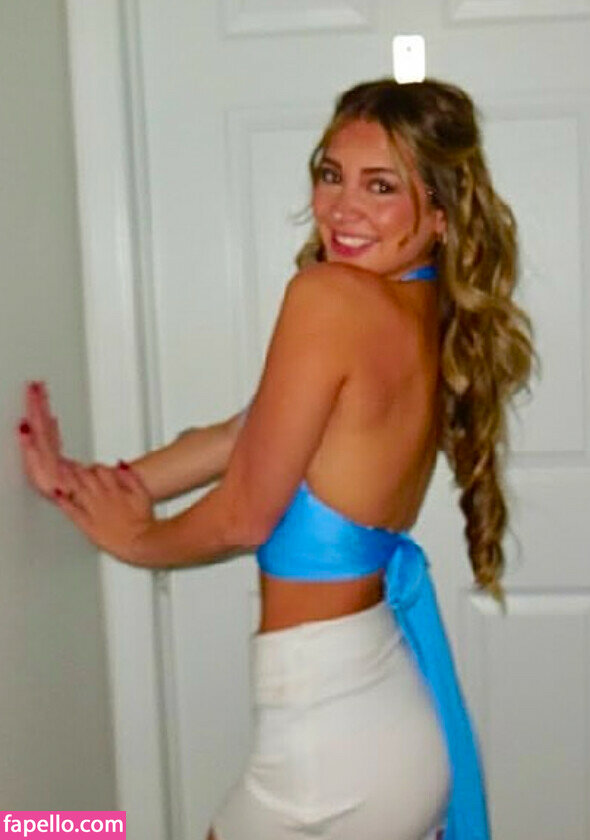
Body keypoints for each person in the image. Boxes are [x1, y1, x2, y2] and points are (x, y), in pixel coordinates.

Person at [18, 77, 533, 840]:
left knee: (42, 826)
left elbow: (245, 513)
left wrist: (138, 540)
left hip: (329, 753)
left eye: (381, 186)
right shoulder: (414, 307)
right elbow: (239, 437)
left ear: (440, 215)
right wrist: (81, 484)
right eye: (330, 174)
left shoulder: (329, 297)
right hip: (373, 724)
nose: (341, 207)